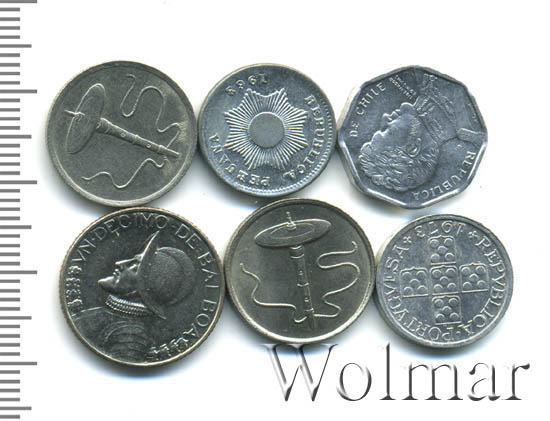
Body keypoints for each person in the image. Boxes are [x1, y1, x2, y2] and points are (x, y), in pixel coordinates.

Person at [72, 232, 195, 362]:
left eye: (135, 266)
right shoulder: (112, 318)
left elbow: (120, 369)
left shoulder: (130, 335)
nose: (120, 263)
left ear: (144, 286)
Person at [358, 73, 485, 192]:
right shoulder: (469, 128)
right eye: (387, 130)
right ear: (413, 148)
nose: (385, 117)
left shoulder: (422, 80)